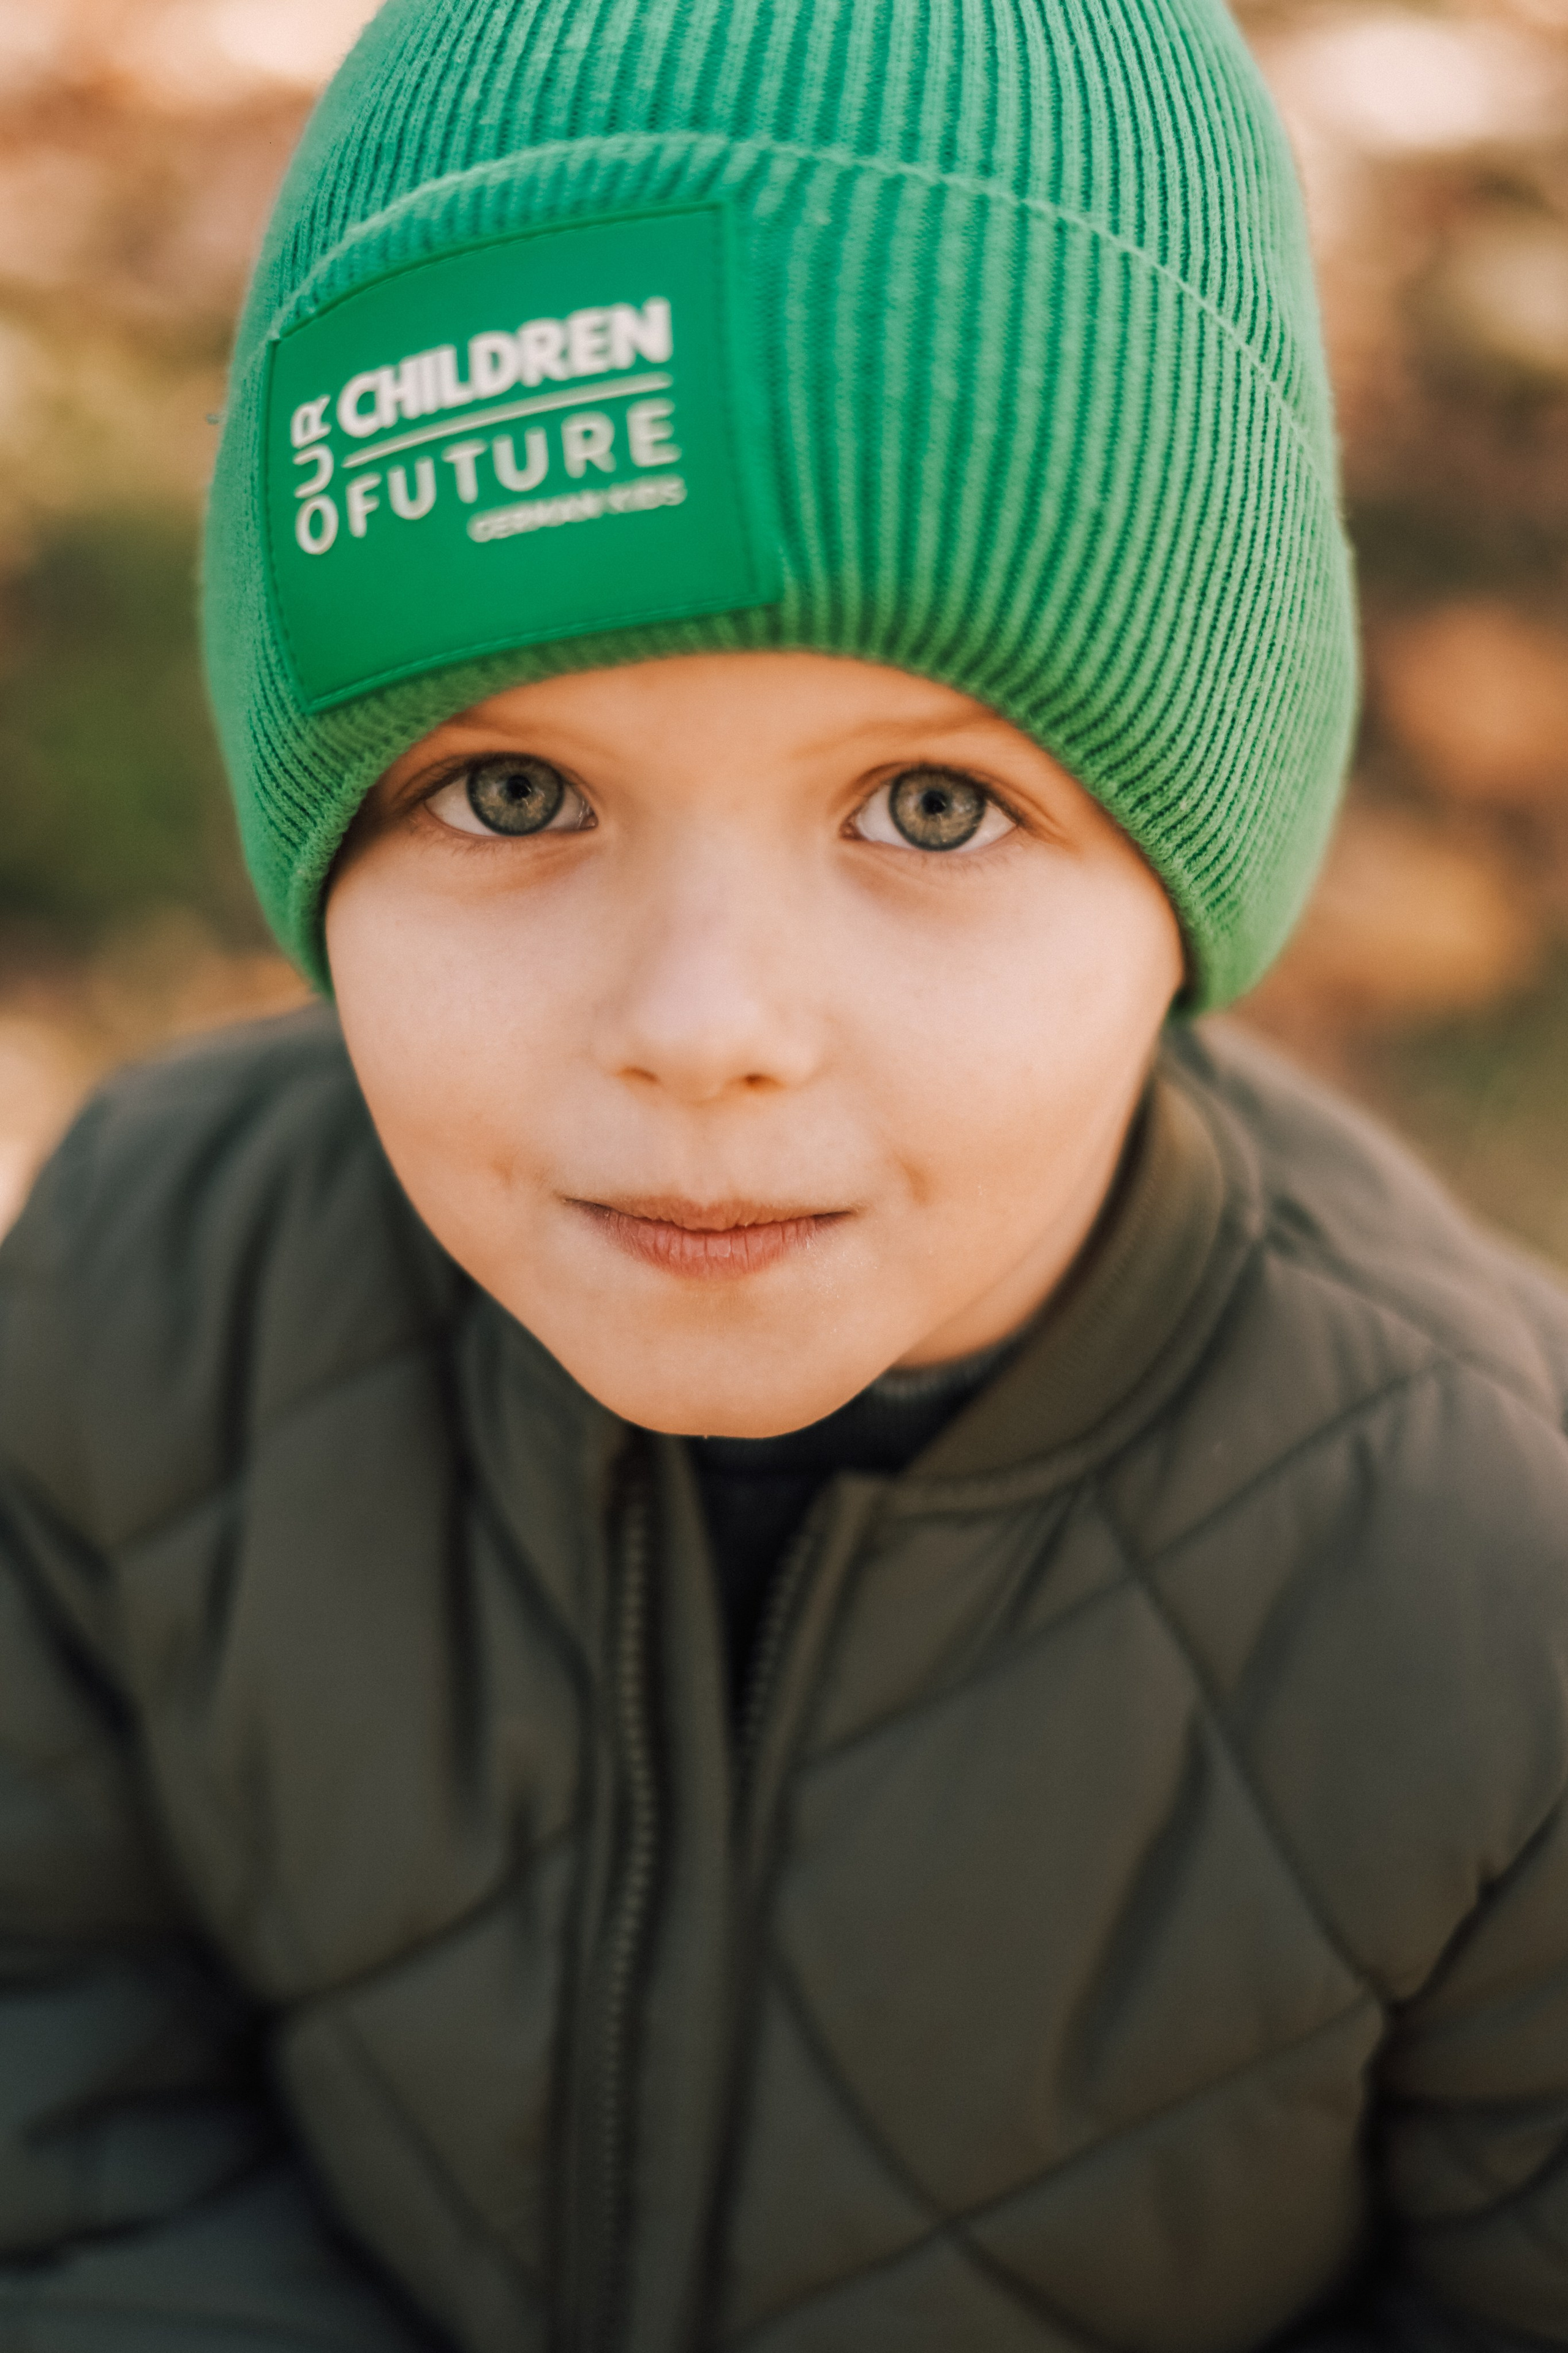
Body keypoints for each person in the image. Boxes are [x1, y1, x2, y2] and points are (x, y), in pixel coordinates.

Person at [4, 0, 1568, 2347]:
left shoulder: (1485, 1583)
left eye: (931, 807)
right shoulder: (150, 1291)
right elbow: (60, 2060)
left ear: (1190, 870)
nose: (707, 1025)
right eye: (513, 795)